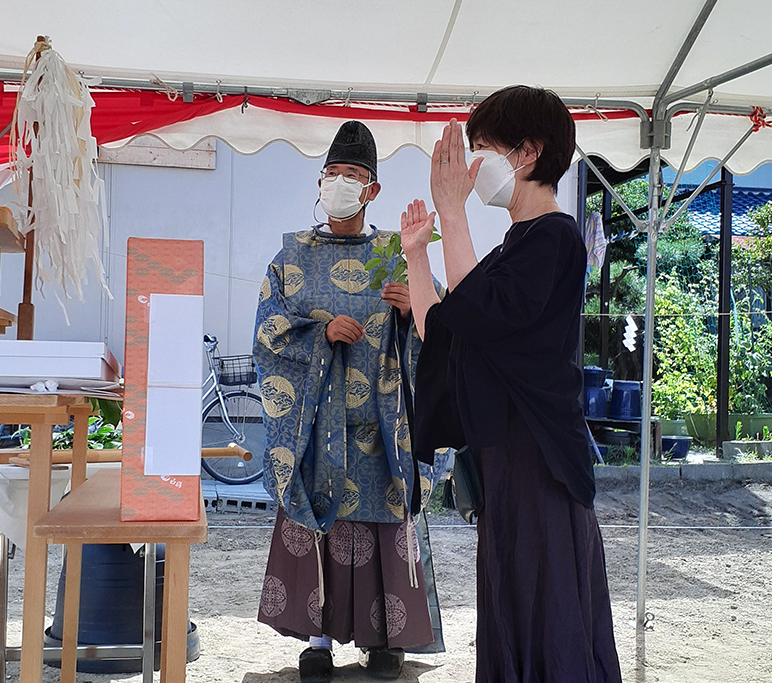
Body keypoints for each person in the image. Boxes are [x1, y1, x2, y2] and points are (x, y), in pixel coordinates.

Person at [401, 86, 623, 682]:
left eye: (483, 149)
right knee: (513, 605)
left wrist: (453, 212)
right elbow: (445, 332)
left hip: (539, 458)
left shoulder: (555, 235)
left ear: (527, 153)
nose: (471, 167)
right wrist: (417, 256)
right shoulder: (514, 244)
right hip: (508, 459)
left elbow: (484, 313)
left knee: (544, 611)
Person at [253, 120, 446, 683]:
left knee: (385, 523)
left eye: (353, 175)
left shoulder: (397, 255)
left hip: (385, 427)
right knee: (322, 522)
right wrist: (320, 335)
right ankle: (317, 642)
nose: (340, 183)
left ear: (373, 190)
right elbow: (268, 332)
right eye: (332, 174)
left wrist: (413, 310)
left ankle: (385, 639)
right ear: (320, 182)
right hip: (316, 425)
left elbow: (441, 337)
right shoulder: (291, 257)